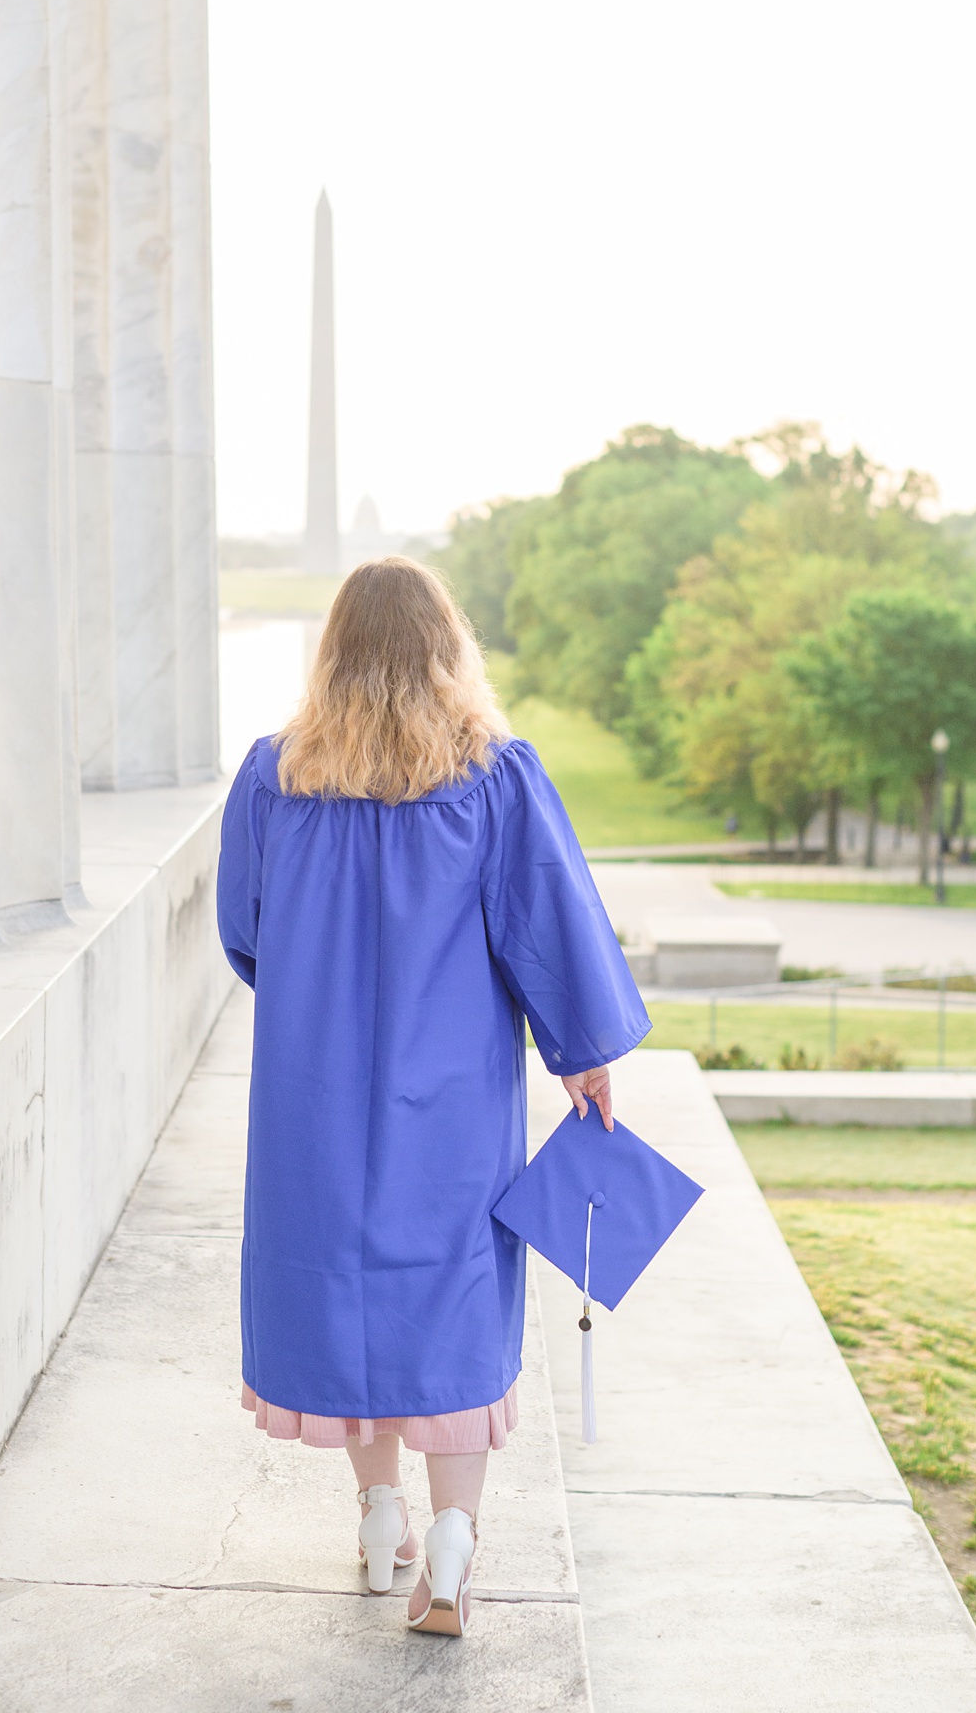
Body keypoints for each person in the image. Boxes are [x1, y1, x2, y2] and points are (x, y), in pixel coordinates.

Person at [217, 556, 649, 1639]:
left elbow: (246, 933)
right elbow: (547, 923)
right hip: (450, 1105)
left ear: (335, 650)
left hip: (311, 1104)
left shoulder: (277, 778)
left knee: (342, 1297)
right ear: (447, 647)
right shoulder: (494, 780)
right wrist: (582, 1050)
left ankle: (377, 1519)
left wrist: (326, 987)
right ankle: (450, 1549)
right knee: (449, 1298)